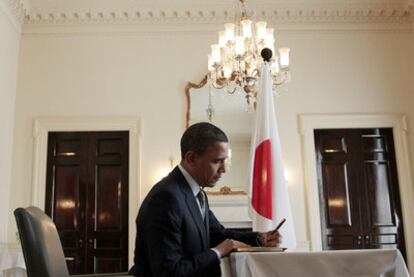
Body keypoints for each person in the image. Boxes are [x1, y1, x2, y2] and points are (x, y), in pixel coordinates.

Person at [129, 122, 280, 277]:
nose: (224, 169)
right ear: (191, 158)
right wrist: (219, 251)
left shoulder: (197, 194)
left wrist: (259, 238)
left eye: (224, 161)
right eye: (216, 161)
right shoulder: (165, 198)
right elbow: (170, 272)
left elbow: (218, 234)